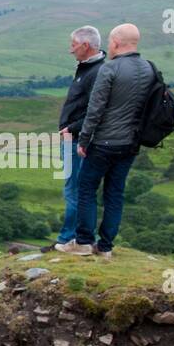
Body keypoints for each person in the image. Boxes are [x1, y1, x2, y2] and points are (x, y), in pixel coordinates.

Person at [58, 23, 155, 259]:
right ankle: (105, 247)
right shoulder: (149, 69)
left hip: (103, 144)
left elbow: (95, 110)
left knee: (86, 190)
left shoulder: (109, 70)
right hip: (130, 144)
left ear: (115, 43)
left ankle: (83, 243)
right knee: (114, 194)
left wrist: (84, 140)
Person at [55, 26, 106, 247]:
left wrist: (72, 129)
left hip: (77, 140)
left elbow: (97, 110)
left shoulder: (96, 72)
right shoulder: (89, 69)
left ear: (86, 45)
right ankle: (80, 237)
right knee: (77, 189)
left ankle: (70, 238)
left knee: (74, 190)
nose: (71, 50)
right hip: (75, 138)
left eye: (73, 45)